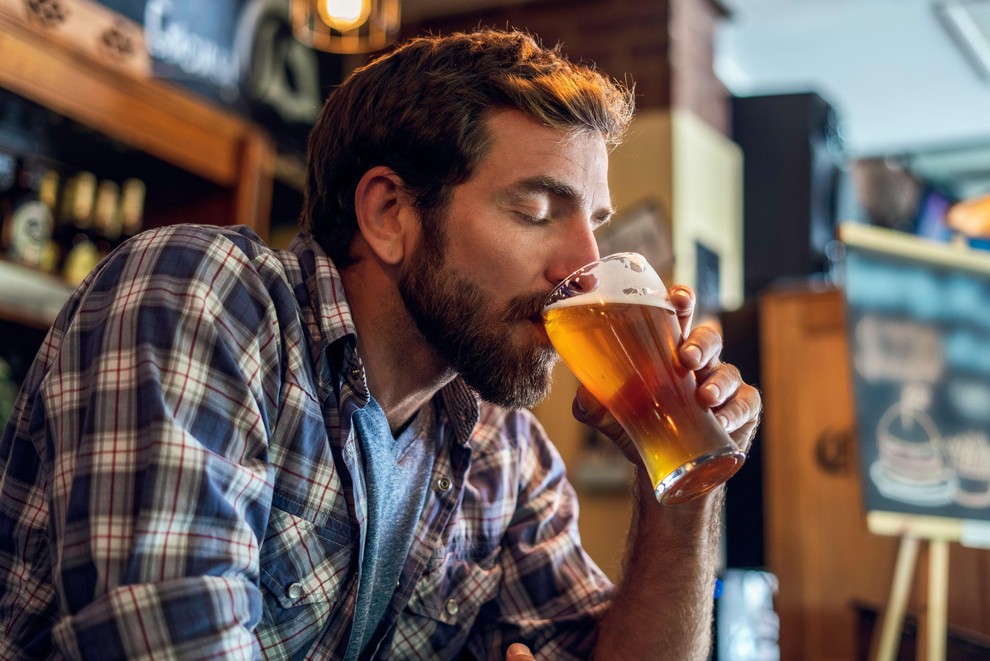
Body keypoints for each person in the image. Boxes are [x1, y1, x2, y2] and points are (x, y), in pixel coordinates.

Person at [0, 29, 761, 660]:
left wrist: (683, 491)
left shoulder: (503, 454)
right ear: (390, 213)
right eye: (535, 209)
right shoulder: (206, 296)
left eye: (594, 220)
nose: (582, 268)